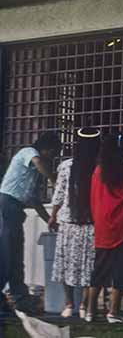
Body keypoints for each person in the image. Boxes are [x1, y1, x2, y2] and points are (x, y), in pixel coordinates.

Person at [0, 130, 60, 316]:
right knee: (7, 254)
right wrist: (54, 180)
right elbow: (38, 161)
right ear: (46, 149)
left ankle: (21, 300)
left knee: (16, 257)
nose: (53, 158)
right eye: (53, 153)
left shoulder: (32, 174)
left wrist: (49, 220)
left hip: (16, 211)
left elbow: (34, 201)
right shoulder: (28, 152)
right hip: (7, 205)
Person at [87, 132, 123, 324]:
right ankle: (113, 312)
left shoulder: (97, 172)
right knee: (122, 269)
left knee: (99, 268)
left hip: (102, 226)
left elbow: (93, 198)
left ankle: (89, 311)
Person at [49, 127, 103, 319]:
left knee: (66, 264)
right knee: (90, 266)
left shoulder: (66, 166)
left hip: (69, 223)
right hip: (92, 224)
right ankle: (84, 306)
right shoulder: (101, 166)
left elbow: (59, 194)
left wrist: (52, 215)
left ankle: (69, 303)